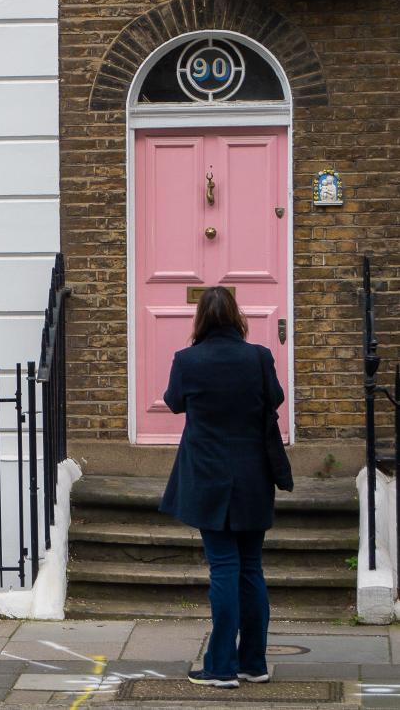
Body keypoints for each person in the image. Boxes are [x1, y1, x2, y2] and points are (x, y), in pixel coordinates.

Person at [158, 286, 293, 689]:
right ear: (237, 316)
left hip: (208, 477)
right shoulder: (259, 357)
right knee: (251, 568)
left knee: (223, 567)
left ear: (200, 318)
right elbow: (277, 397)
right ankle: (253, 662)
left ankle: (219, 667)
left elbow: (174, 402)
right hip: (253, 475)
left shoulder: (187, 360)